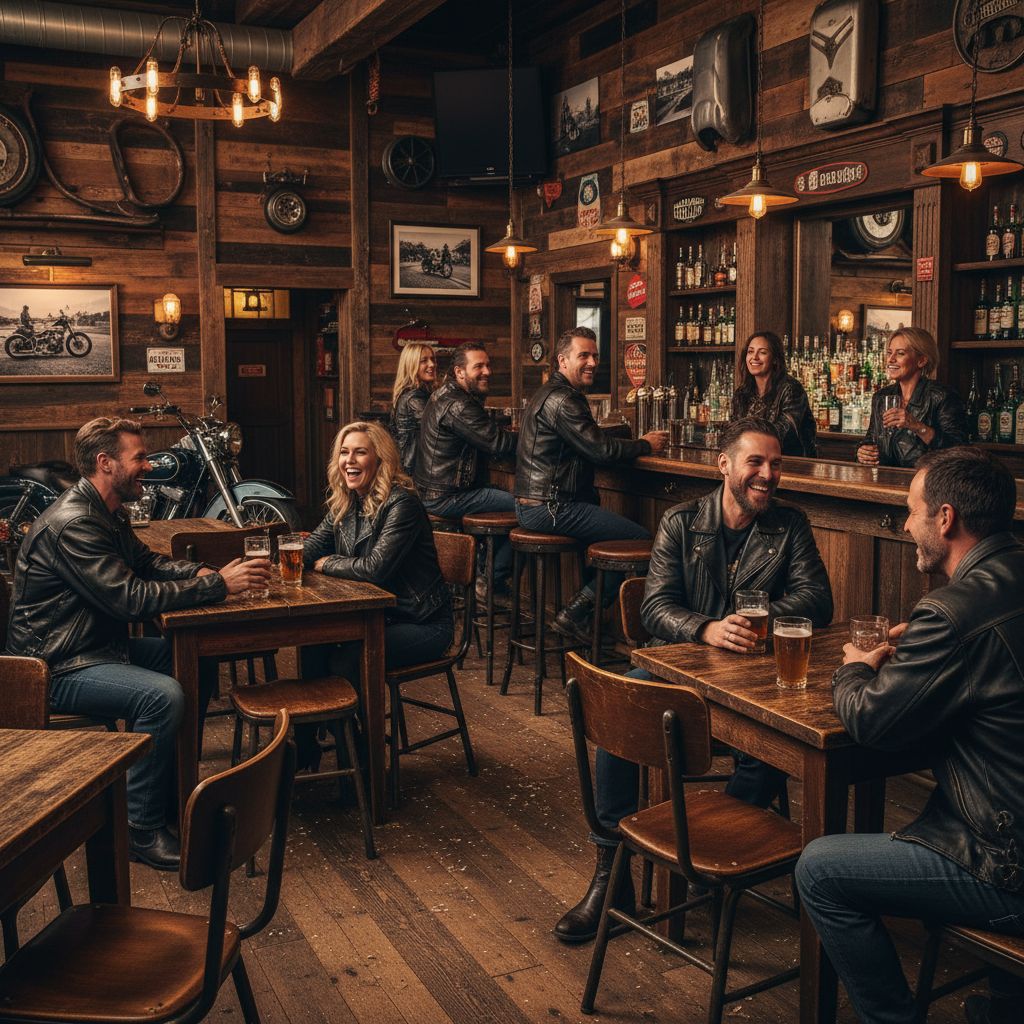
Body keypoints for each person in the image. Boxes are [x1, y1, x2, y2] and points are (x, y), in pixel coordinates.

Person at [555, 417, 834, 943]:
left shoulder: (789, 525)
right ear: (723, 464)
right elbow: (656, 607)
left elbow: (818, 600)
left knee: (779, 743)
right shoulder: (682, 523)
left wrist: (760, 618)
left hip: (755, 675)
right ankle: (610, 876)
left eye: (776, 464)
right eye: (756, 462)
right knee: (619, 707)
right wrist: (705, 628)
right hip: (680, 669)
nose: (768, 474)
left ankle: (714, 851)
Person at [796, 446, 1024, 1024]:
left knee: (820, 868)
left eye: (911, 510)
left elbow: (871, 722)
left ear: (944, 519)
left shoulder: (950, 612)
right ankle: (1006, 1000)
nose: (904, 524)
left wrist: (854, 666)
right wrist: (922, 658)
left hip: (1008, 866)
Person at [4, 417, 270, 871]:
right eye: (139, 457)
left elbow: (146, 563)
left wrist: (198, 572)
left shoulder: (106, 509)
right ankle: (140, 829)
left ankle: (173, 795)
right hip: (57, 666)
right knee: (162, 695)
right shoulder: (74, 523)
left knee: (193, 659)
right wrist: (217, 587)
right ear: (106, 463)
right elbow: (130, 599)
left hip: (95, 648)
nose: (148, 465)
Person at [300, 421, 453, 769]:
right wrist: (283, 557)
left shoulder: (402, 505)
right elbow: (309, 549)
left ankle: (358, 754)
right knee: (313, 645)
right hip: (379, 619)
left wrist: (327, 564)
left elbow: (374, 569)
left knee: (344, 660)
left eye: (360, 452)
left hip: (423, 622)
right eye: (343, 451)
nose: (349, 460)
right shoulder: (346, 502)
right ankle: (308, 743)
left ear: (380, 460)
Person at [515, 326, 668, 642]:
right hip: (553, 507)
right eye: (583, 355)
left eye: (595, 355)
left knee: (609, 543)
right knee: (644, 542)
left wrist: (626, 436)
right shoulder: (565, 400)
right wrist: (644, 445)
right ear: (562, 360)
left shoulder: (549, 394)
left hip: (535, 504)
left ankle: (586, 617)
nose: (592, 362)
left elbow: (588, 438)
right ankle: (577, 613)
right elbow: (601, 451)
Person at [415, 342, 517, 602]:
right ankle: (491, 580)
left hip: (438, 491)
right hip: (448, 496)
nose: (487, 371)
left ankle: (486, 570)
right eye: (478, 366)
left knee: (506, 500)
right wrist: (538, 437)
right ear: (460, 372)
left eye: (488, 365)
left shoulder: (446, 395)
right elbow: (499, 443)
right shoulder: (458, 404)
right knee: (529, 510)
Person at [857, 326, 968, 468]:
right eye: (889, 353)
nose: (891, 359)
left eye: (900, 353)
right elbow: (870, 439)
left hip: (925, 483)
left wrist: (916, 425)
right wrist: (862, 451)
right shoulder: (881, 397)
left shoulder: (942, 397)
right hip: (884, 479)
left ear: (921, 361)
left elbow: (959, 451)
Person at [731, 330, 816, 457]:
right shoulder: (742, 393)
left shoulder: (791, 389)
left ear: (775, 359)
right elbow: (733, 432)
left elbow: (784, 432)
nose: (754, 357)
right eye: (750, 352)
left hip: (791, 463)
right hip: (752, 461)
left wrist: (746, 442)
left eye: (763, 352)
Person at [390, 343, 437, 475]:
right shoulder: (413, 398)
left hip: (414, 467)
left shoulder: (417, 393)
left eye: (432, 359)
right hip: (415, 470)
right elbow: (439, 428)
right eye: (424, 361)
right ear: (411, 365)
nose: (432, 364)